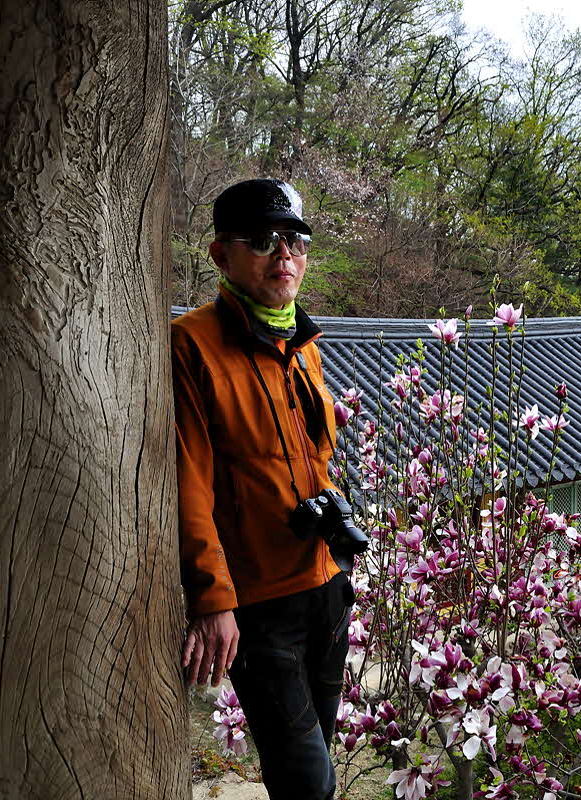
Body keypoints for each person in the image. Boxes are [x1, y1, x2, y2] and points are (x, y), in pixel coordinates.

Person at [172, 178, 356, 799]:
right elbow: (188, 483)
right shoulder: (192, 344)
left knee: (316, 764)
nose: (284, 255)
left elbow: (314, 458)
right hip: (259, 602)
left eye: (295, 241)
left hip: (325, 585)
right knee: (307, 780)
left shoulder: (301, 342)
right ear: (221, 255)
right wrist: (213, 601)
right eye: (261, 240)